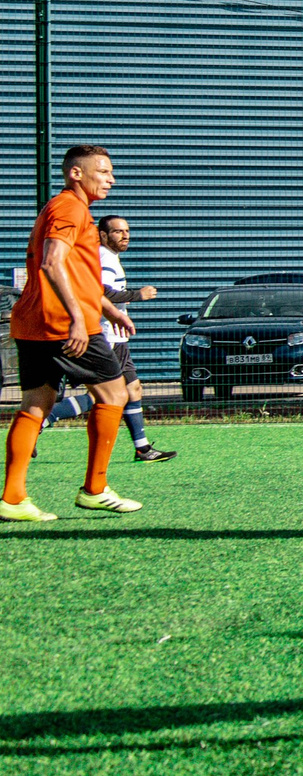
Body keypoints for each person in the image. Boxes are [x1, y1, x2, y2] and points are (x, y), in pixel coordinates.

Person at [4, 145, 144, 522]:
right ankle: (95, 489)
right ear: (76, 174)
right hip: (64, 323)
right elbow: (52, 262)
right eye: (103, 171)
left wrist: (110, 308)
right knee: (117, 392)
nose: (111, 178)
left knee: (36, 404)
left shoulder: (68, 209)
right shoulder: (70, 208)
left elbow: (78, 274)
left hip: (34, 321)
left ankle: (13, 498)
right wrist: (78, 319)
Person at [42, 215, 175, 462]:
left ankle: (143, 448)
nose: (125, 235)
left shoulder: (111, 257)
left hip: (117, 337)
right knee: (103, 395)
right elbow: (100, 292)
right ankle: (46, 417)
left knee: (133, 388)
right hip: (106, 336)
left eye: (127, 231)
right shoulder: (103, 257)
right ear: (103, 235)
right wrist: (138, 295)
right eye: (118, 232)